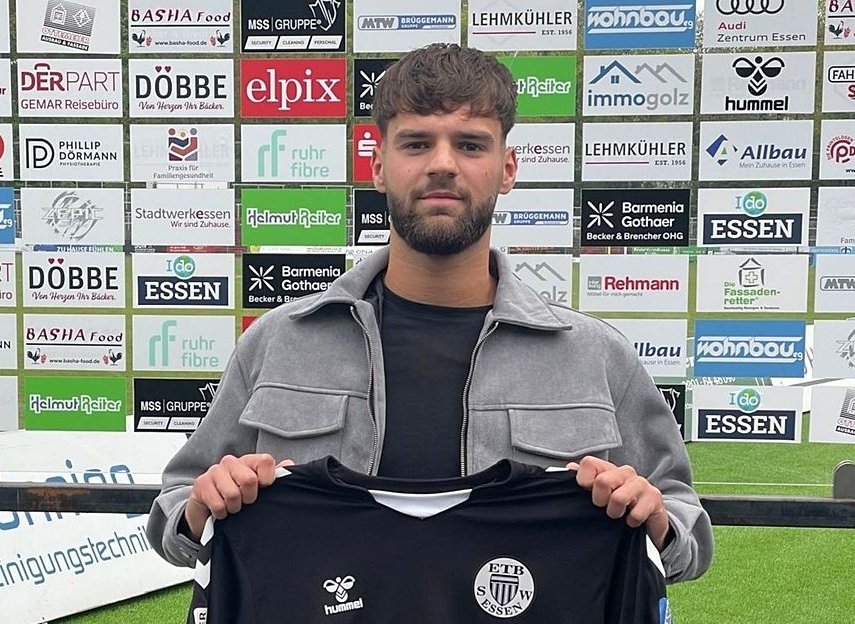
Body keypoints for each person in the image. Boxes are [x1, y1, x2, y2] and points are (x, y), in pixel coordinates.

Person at [146, 43, 713, 583]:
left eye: (470, 145)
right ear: (378, 165)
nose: (442, 165)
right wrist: (200, 505)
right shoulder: (280, 340)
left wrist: (657, 521)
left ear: (507, 168)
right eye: (416, 144)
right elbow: (175, 513)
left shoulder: (595, 355)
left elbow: (686, 536)